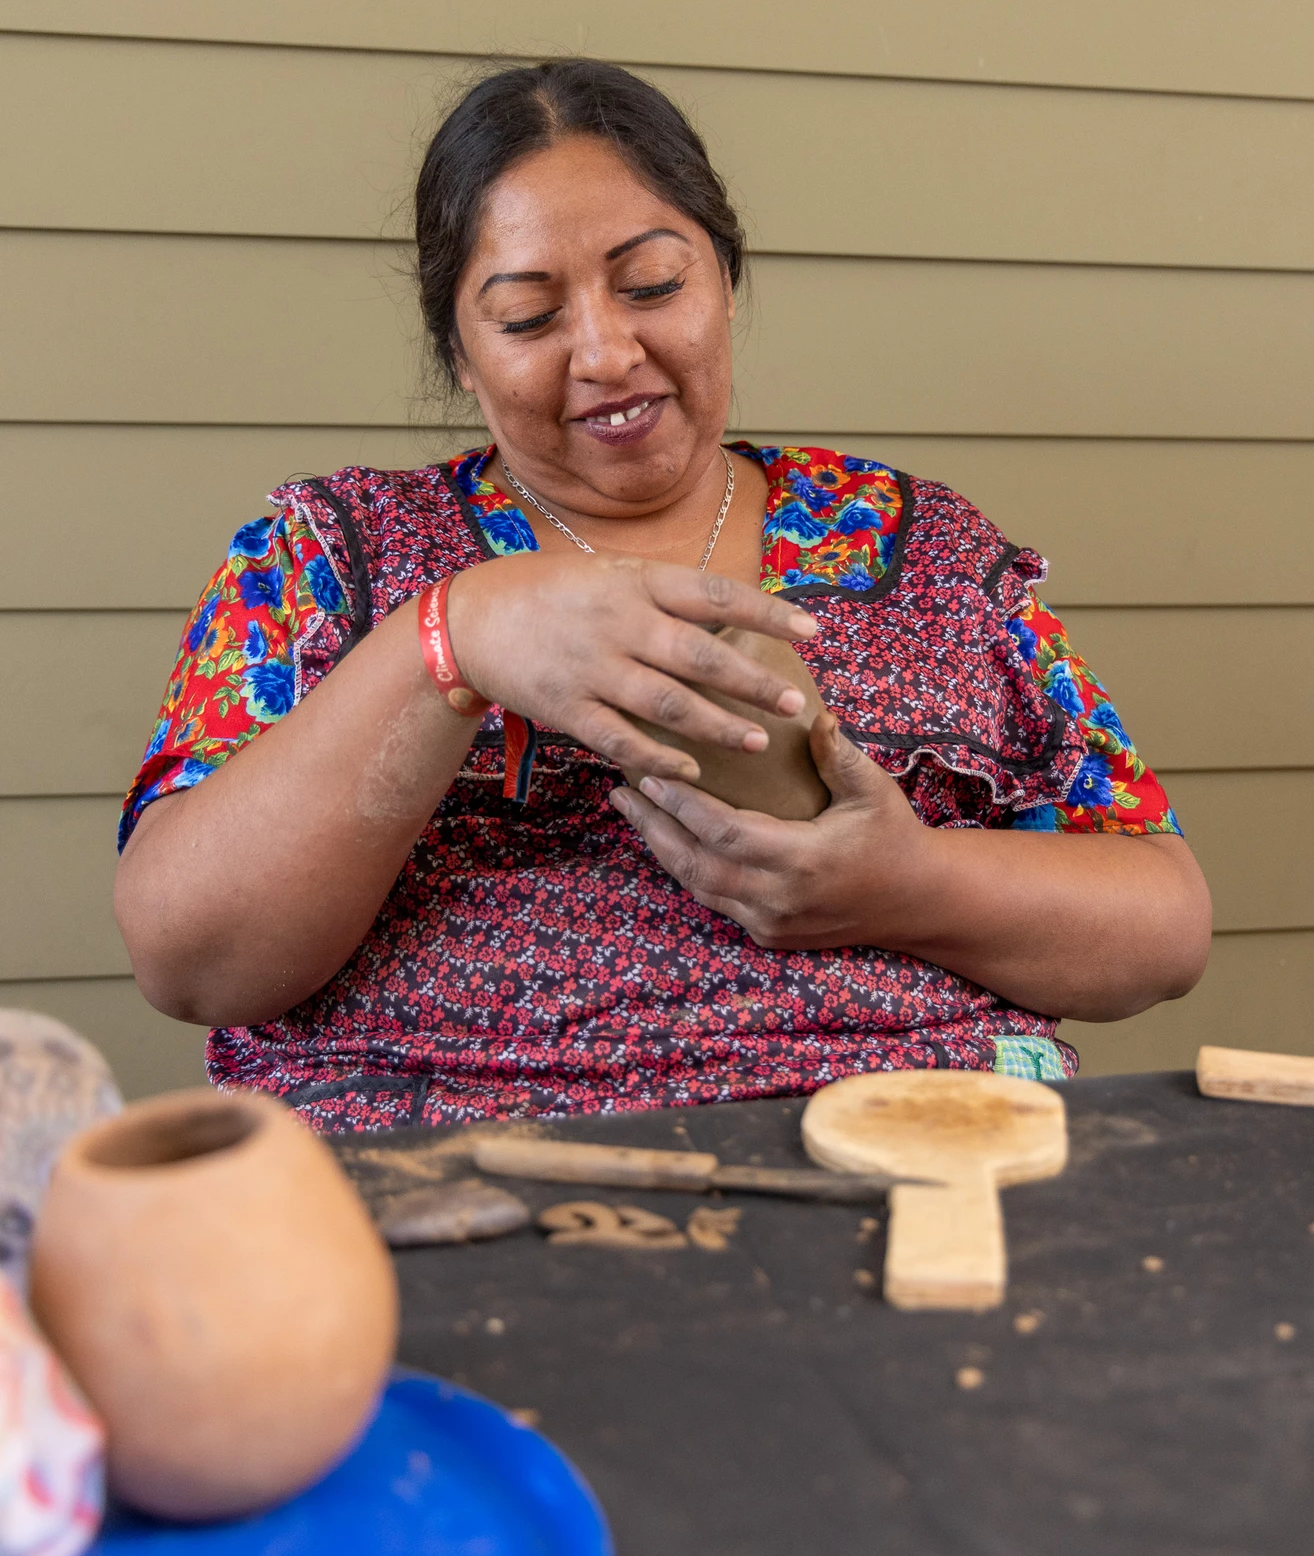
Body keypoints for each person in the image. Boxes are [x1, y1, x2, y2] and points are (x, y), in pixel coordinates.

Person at [114, 60, 1212, 1133]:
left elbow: (1162, 925)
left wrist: (910, 885)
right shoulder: (331, 552)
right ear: (458, 350)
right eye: (529, 316)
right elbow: (195, 961)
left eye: (651, 286)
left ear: (725, 282)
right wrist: (450, 641)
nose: (605, 352)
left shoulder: (920, 543)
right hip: (462, 1161)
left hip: (917, 1143)